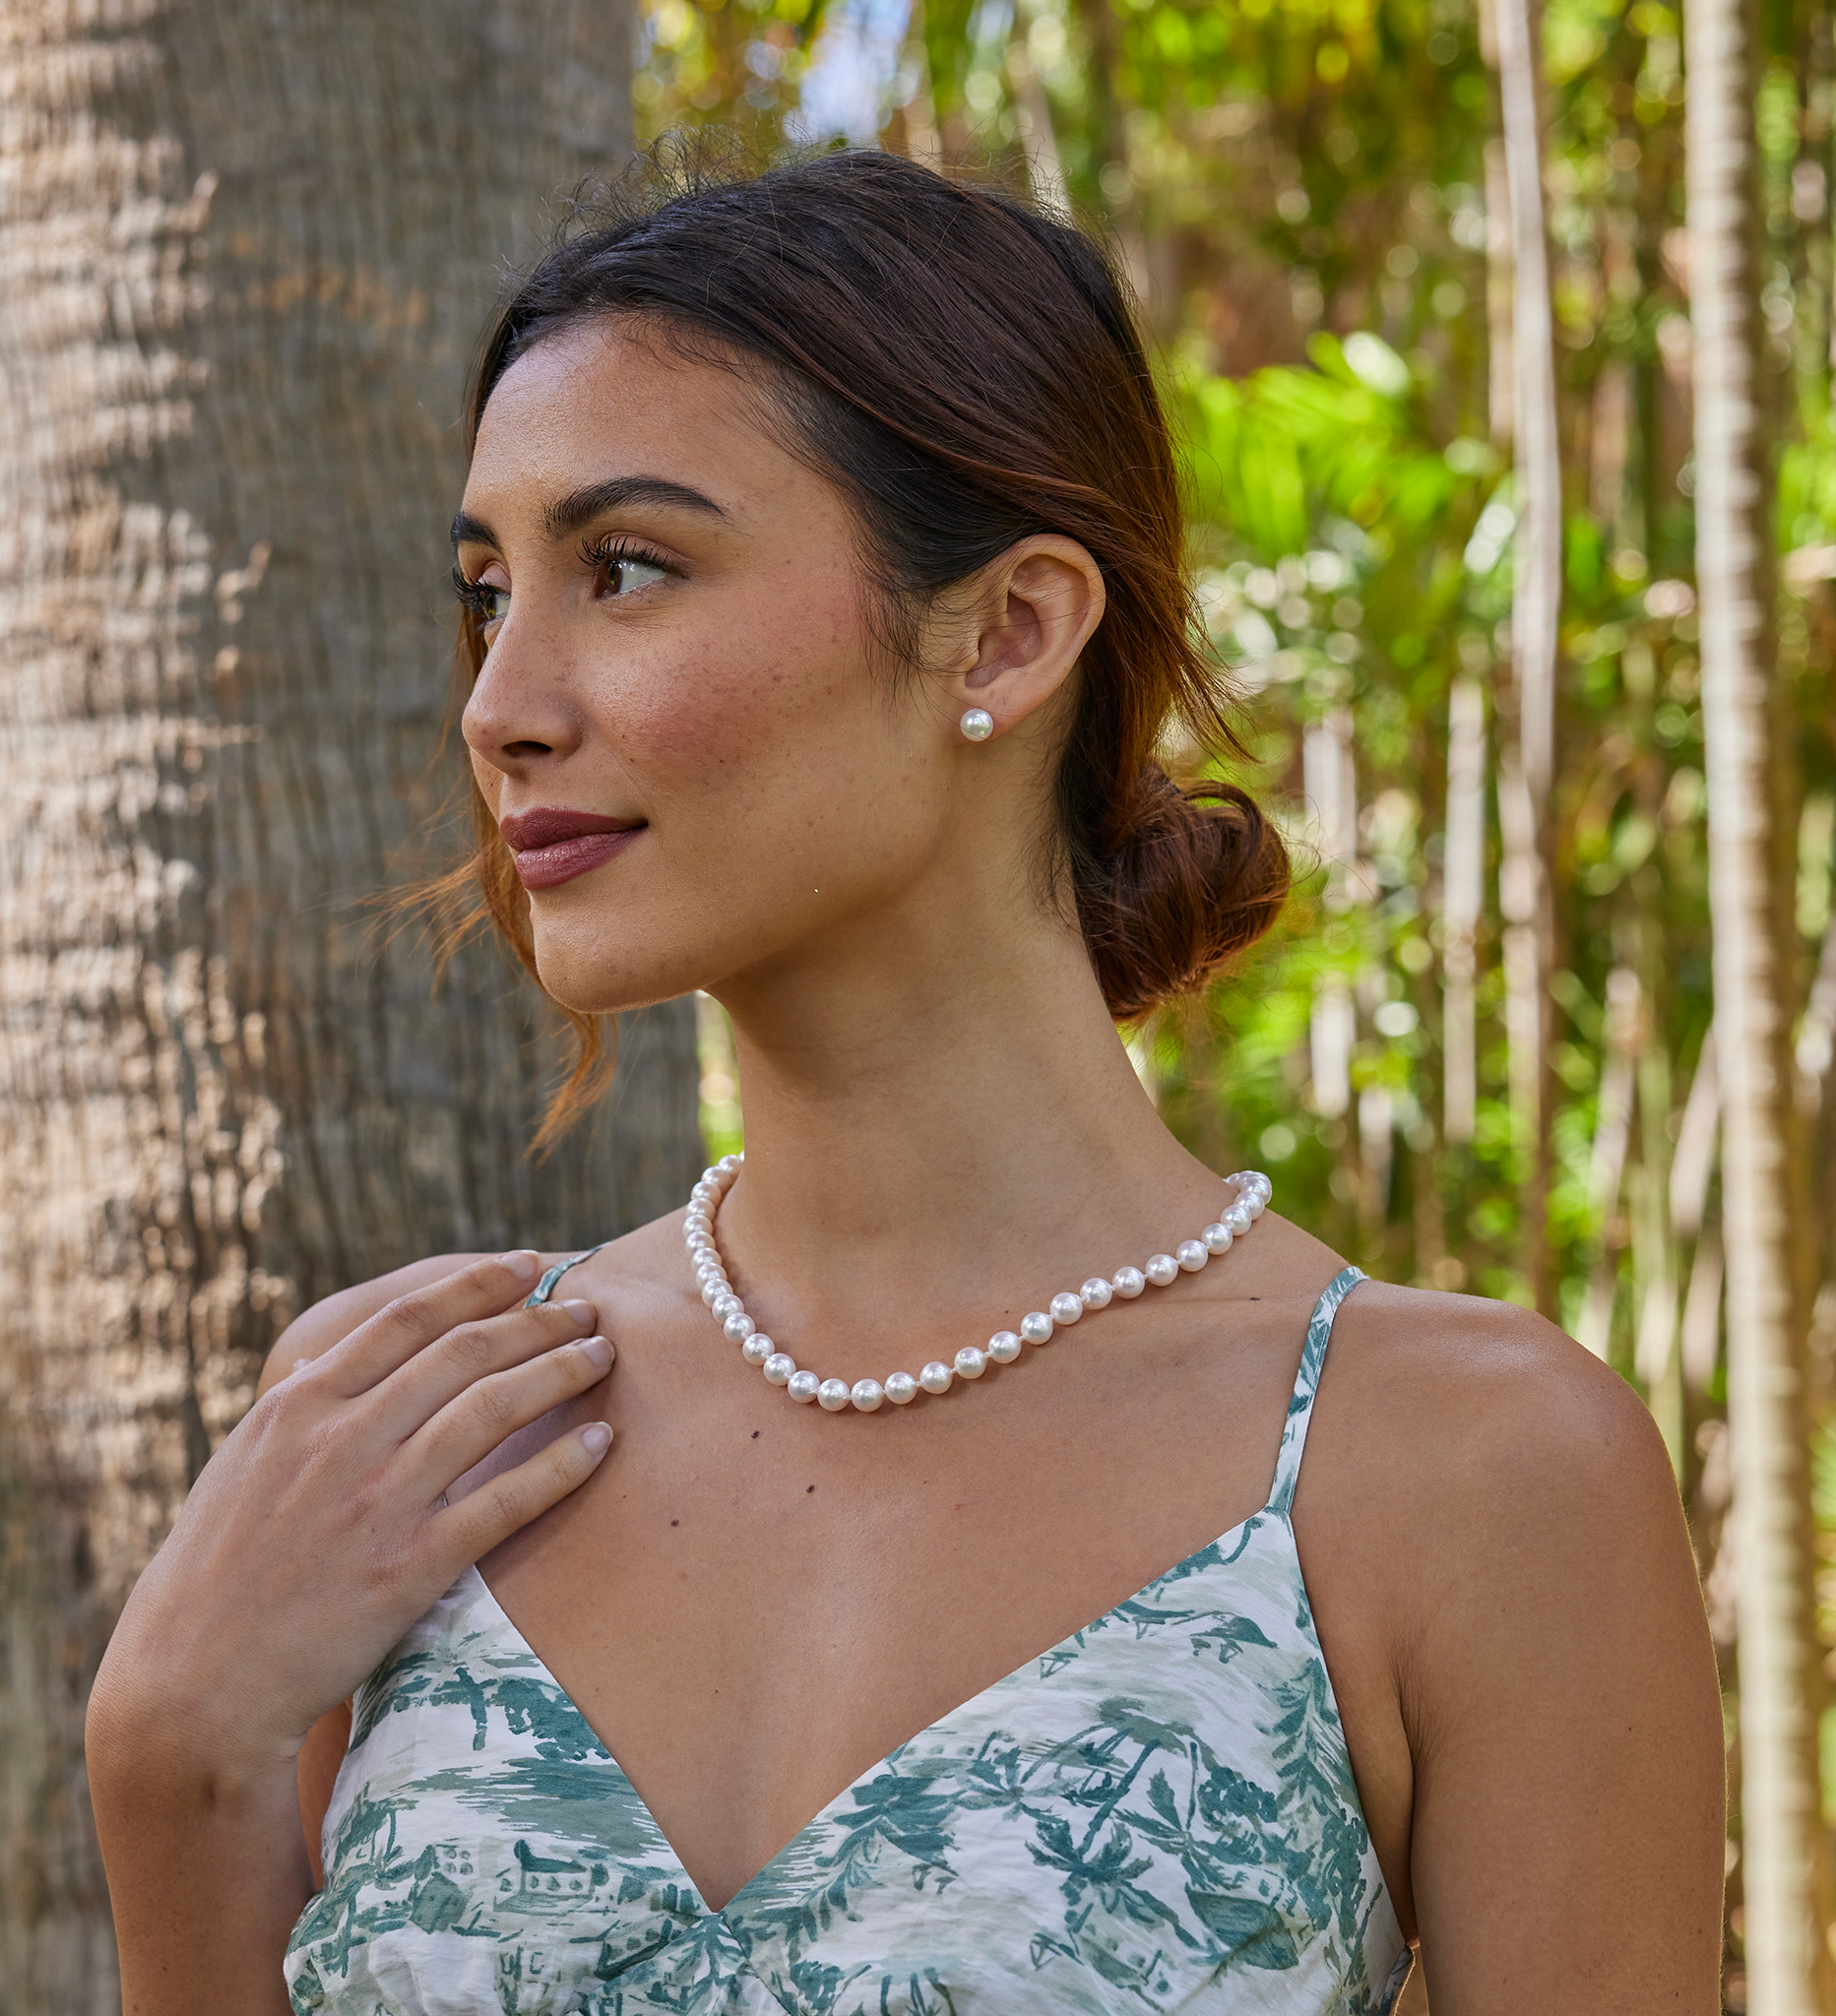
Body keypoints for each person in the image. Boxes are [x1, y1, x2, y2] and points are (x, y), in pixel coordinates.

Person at [87, 147, 1724, 2015]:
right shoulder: (421, 1423)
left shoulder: (1461, 1468)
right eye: (487, 589)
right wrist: (174, 1769)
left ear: (1009, 630)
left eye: (624, 568)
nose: (500, 701)